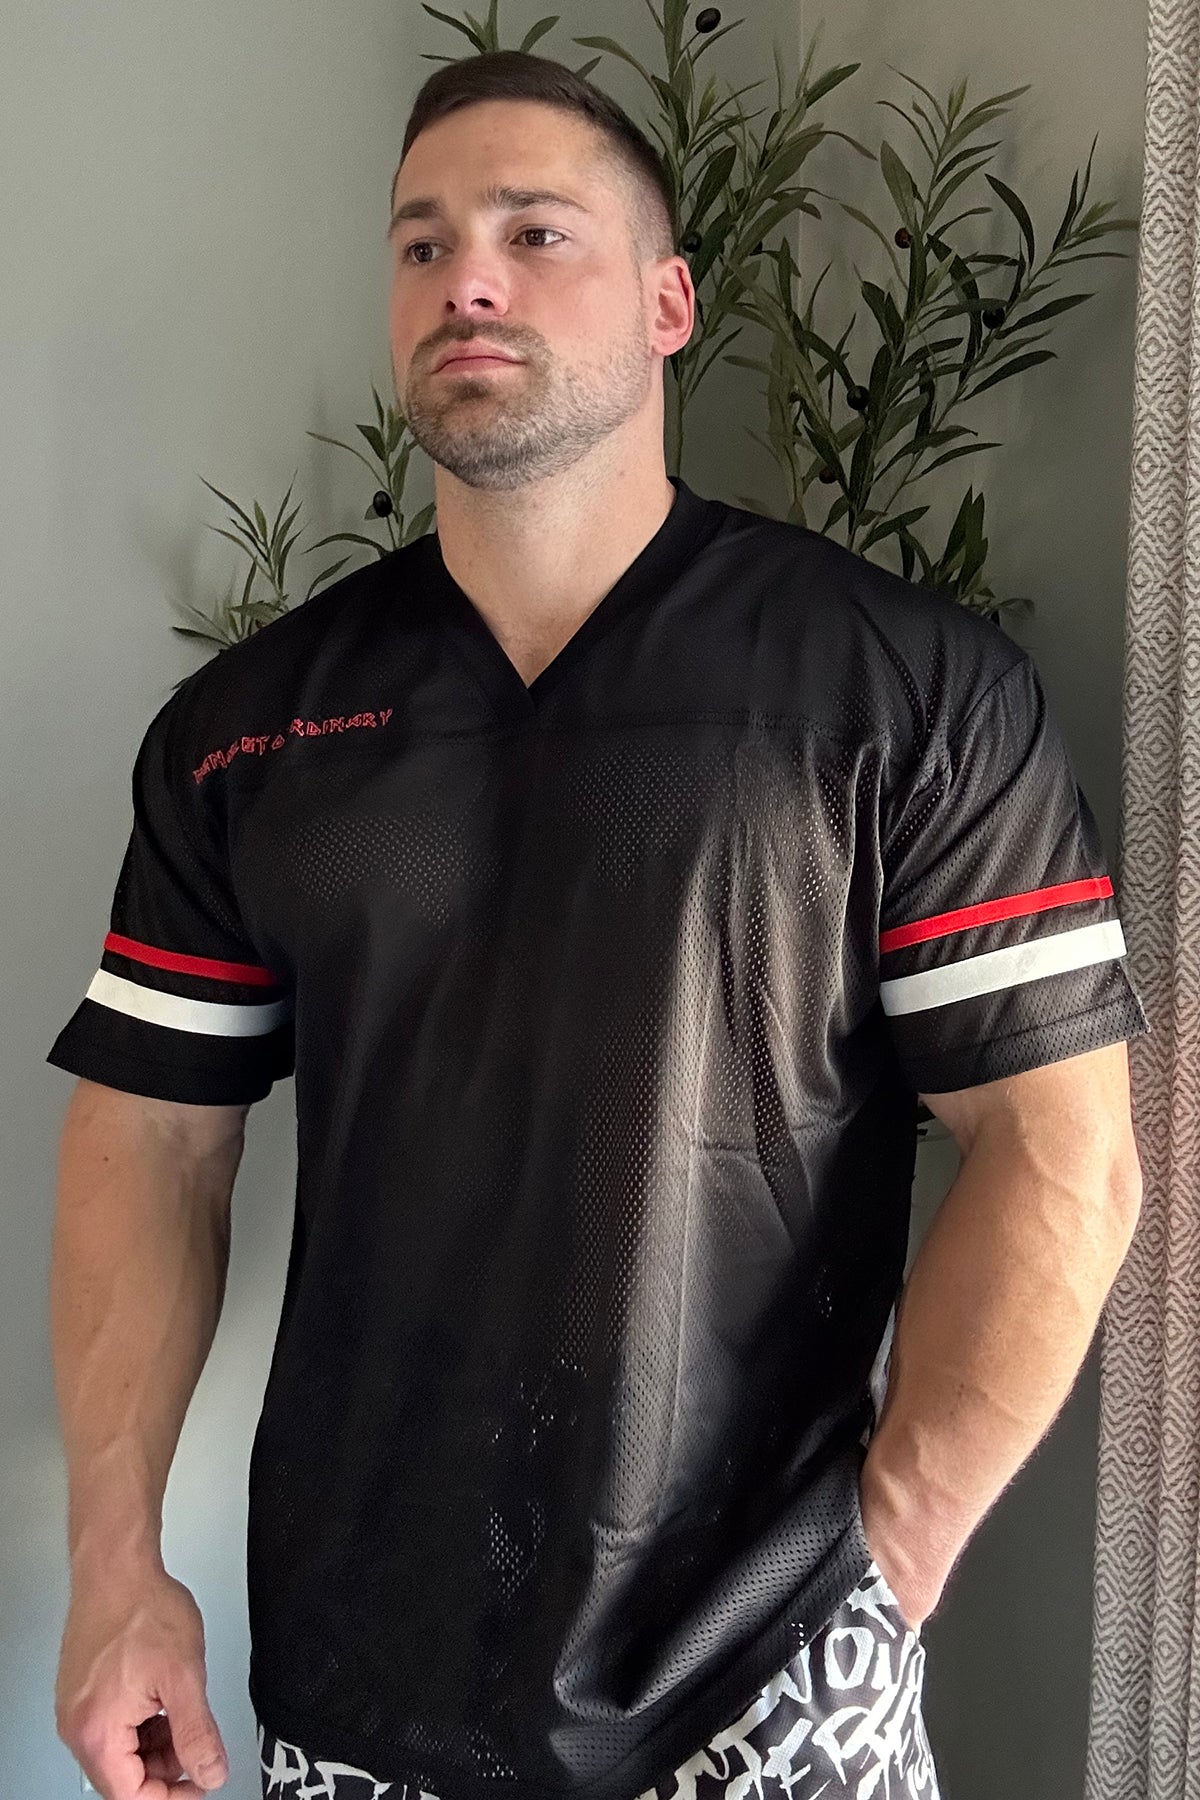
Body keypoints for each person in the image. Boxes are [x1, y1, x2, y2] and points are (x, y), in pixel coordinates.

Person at [48, 46, 1148, 1800]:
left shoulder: (908, 692)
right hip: (354, 1685)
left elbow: (1062, 1156)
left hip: (774, 1684)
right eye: (422, 244)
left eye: (534, 231)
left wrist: (890, 1573)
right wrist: (116, 1567)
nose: (466, 278)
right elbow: (150, 1141)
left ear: (668, 303)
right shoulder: (251, 732)